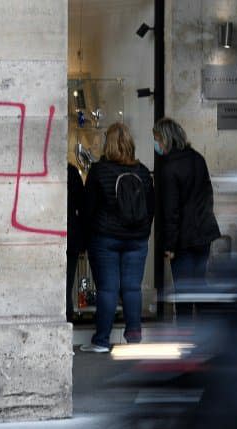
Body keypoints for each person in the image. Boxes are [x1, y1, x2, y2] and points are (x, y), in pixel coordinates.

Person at [82, 123, 154, 353]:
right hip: (137, 239)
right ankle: (133, 336)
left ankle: (102, 340)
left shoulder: (99, 171)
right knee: (132, 288)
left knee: (108, 289)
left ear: (108, 143)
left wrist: (88, 236)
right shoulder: (142, 171)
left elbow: (88, 209)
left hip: (105, 238)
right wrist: (143, 231)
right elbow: (150, 206)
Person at [153, 118, 221, 324]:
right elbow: (208, 195)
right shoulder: (198, 158)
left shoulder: (168, 167)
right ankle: (207, 329)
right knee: (199, 285)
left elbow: (171, 210)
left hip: (182, 239)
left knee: (183, 289)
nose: (156, 144)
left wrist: (169, 245)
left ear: (165, 138)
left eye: (156, 139)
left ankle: (184, 335)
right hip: (204, 234)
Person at [66, 162, 86, 322]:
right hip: (70, 236)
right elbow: (82, 206)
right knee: (67, 284)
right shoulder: (71, 172)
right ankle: (67, 318)